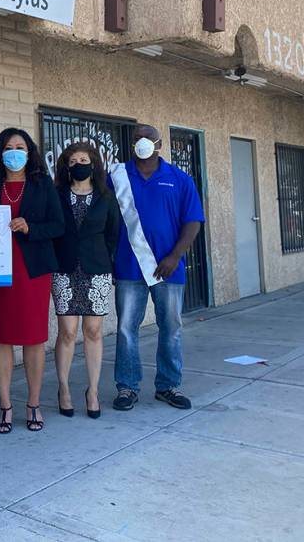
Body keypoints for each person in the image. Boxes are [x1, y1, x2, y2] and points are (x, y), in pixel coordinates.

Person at [0, 128, 64, 433]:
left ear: (30, 152)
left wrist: (30, 227)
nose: (15, 151)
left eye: (20, 146)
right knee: (1, 338)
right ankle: (5, 406)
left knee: (33, 339)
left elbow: (58, 225)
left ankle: (33, 404)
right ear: (0, 152)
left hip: (32, 272)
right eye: (9, 146)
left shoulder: (43, 185)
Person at [110, 124, 204, 412]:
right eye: (137, 137)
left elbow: (193, 222)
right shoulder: (117, 177)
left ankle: (168, 386)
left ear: (159, 143)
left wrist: (175, 255)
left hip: (168, 268)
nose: (142, 142)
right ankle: (127, 387)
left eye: (147, 137)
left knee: (171, 327)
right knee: (127, 329)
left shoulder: (179, 179)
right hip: (128, 266)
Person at [51, 142, 121, 419]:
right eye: (73, 160)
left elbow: (113, 233)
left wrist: (106, 261)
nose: (79, 163)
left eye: (84, 158)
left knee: (93, 331)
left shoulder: (106, 197)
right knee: (67, 332)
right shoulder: (57, 195)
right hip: (64, 269)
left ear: (94, 163)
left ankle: (92, 391)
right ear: (67, 167)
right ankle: (64, 389)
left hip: (97, 270)